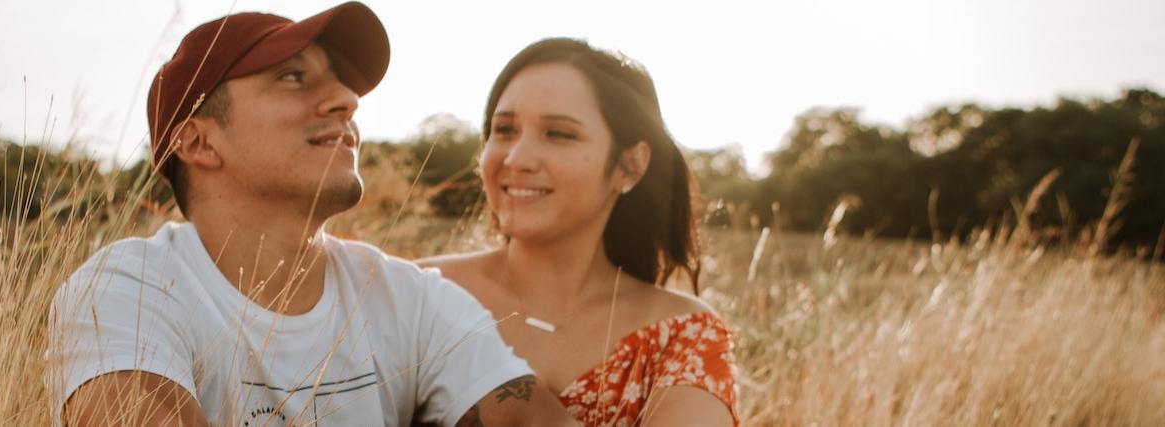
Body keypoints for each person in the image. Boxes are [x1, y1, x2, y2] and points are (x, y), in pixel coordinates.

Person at [46, 3, 577, 426]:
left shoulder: (409, 298)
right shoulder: (127, 292)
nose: (347, 100)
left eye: (341, 82)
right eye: (293, 77)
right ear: (197, 141)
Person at [419, 38, 742, 426]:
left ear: (630, 167)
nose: (517, 158)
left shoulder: (681, 337)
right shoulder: (415, 292)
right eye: (504, 130)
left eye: (559, 134)